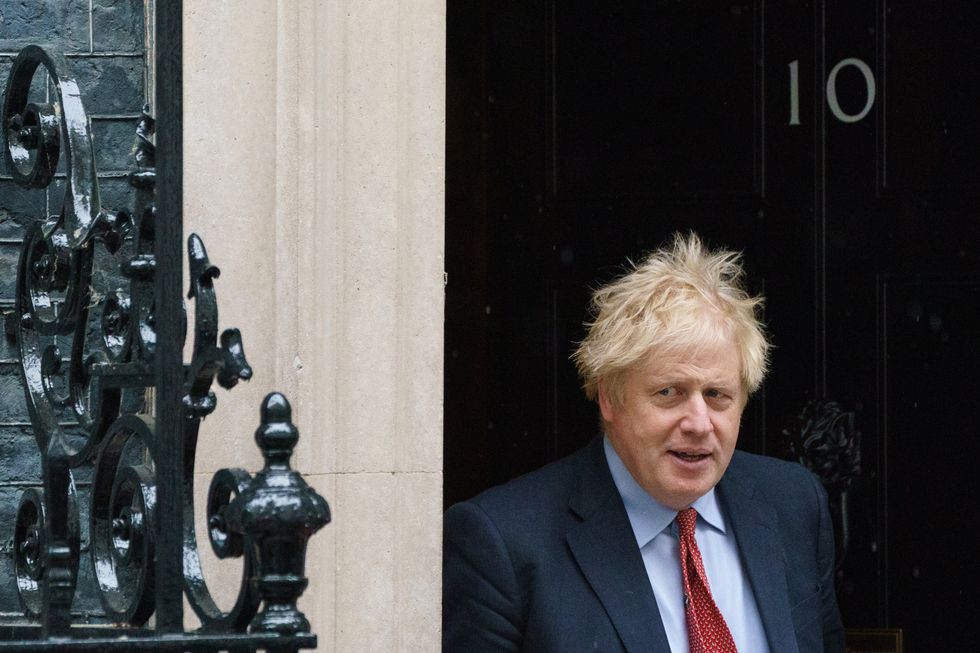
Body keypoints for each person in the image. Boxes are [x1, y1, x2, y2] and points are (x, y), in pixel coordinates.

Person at [443, 233, 845, 652]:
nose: (699, 423)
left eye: (717, 395)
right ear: (608, 397)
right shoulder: (504, 543)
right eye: (668, 393)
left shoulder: (794, 506)